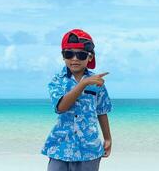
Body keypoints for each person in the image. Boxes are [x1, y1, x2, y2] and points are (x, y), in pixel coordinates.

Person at [41, 29, 113, 171]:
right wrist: (83, 84)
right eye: (69, 54)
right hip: (59, 147)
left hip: (89, 149)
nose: (74, 59)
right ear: (63, 56)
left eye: (80, 55)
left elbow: (102, 112)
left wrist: (108, 138)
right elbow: (61, 108)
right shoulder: (57, 81)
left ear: (90, 57)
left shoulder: (97, 83)